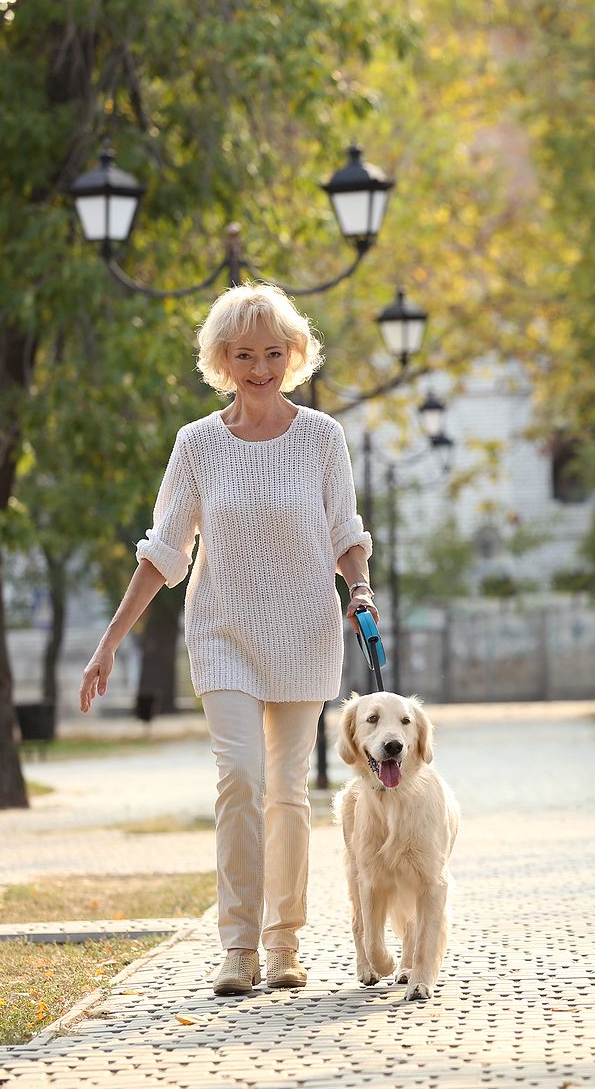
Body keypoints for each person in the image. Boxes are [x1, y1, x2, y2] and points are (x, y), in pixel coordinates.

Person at [79, 282, 377, 996]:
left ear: (294, 355)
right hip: (222, 633)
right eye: (244, 355)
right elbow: (163, 551)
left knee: (287, 792)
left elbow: (346, 534)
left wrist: (360, 589)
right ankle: (237, 945)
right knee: (240, 778)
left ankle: (283, 942)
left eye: (274, 353)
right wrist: (110, 641)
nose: (261, 367)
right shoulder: (199, 445)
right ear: (221, 360)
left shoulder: (321, 438)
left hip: (304, 630)